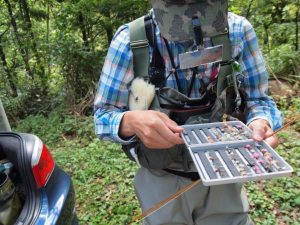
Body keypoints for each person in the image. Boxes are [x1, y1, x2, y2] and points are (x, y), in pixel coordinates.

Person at [94, 0, 282, 224]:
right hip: (162, 176)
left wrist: (260, 120)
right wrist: (130, 121)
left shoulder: (238, 31)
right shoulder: (131, 40)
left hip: (225, 171)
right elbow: (103, 117)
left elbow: (258, 100)